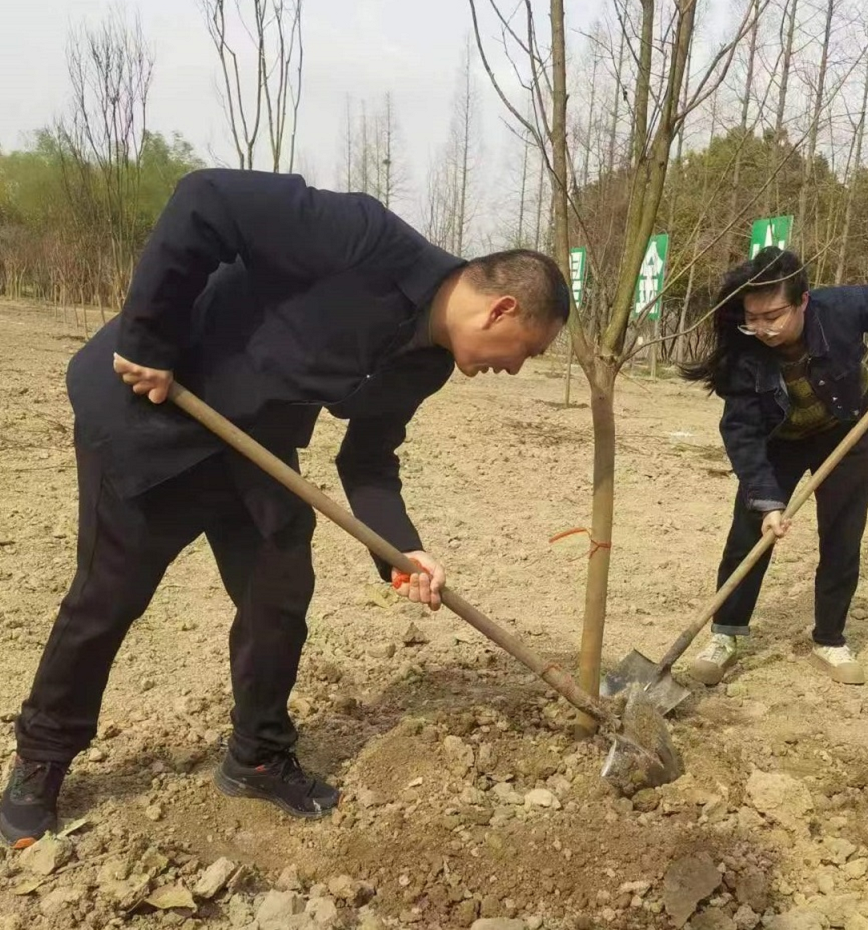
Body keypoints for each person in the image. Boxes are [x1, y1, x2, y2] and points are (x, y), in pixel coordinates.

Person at [0, 169, 569, 847]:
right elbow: (203, 200)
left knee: (280, 588)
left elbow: (366, 460)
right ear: (501, 310)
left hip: (253, 444)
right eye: (527, 351)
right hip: (152, 412)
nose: (517, 368)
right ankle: (39, 762)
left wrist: (399, 550)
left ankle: (258, 754)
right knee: (109, 596)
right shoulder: (364, 239)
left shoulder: (426, 364)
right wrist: (150, 339)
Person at [681, 247, 868, 688]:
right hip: (778, 441)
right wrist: (767, 501)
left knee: (842, 535)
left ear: (802, 301)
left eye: (773, 316)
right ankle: (726, 635)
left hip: (845, 431)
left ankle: (830, 638)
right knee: (748, 534)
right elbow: (741, 432)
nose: (761, 329)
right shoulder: (742, 352)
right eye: (752, 318)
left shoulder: (842, 307)